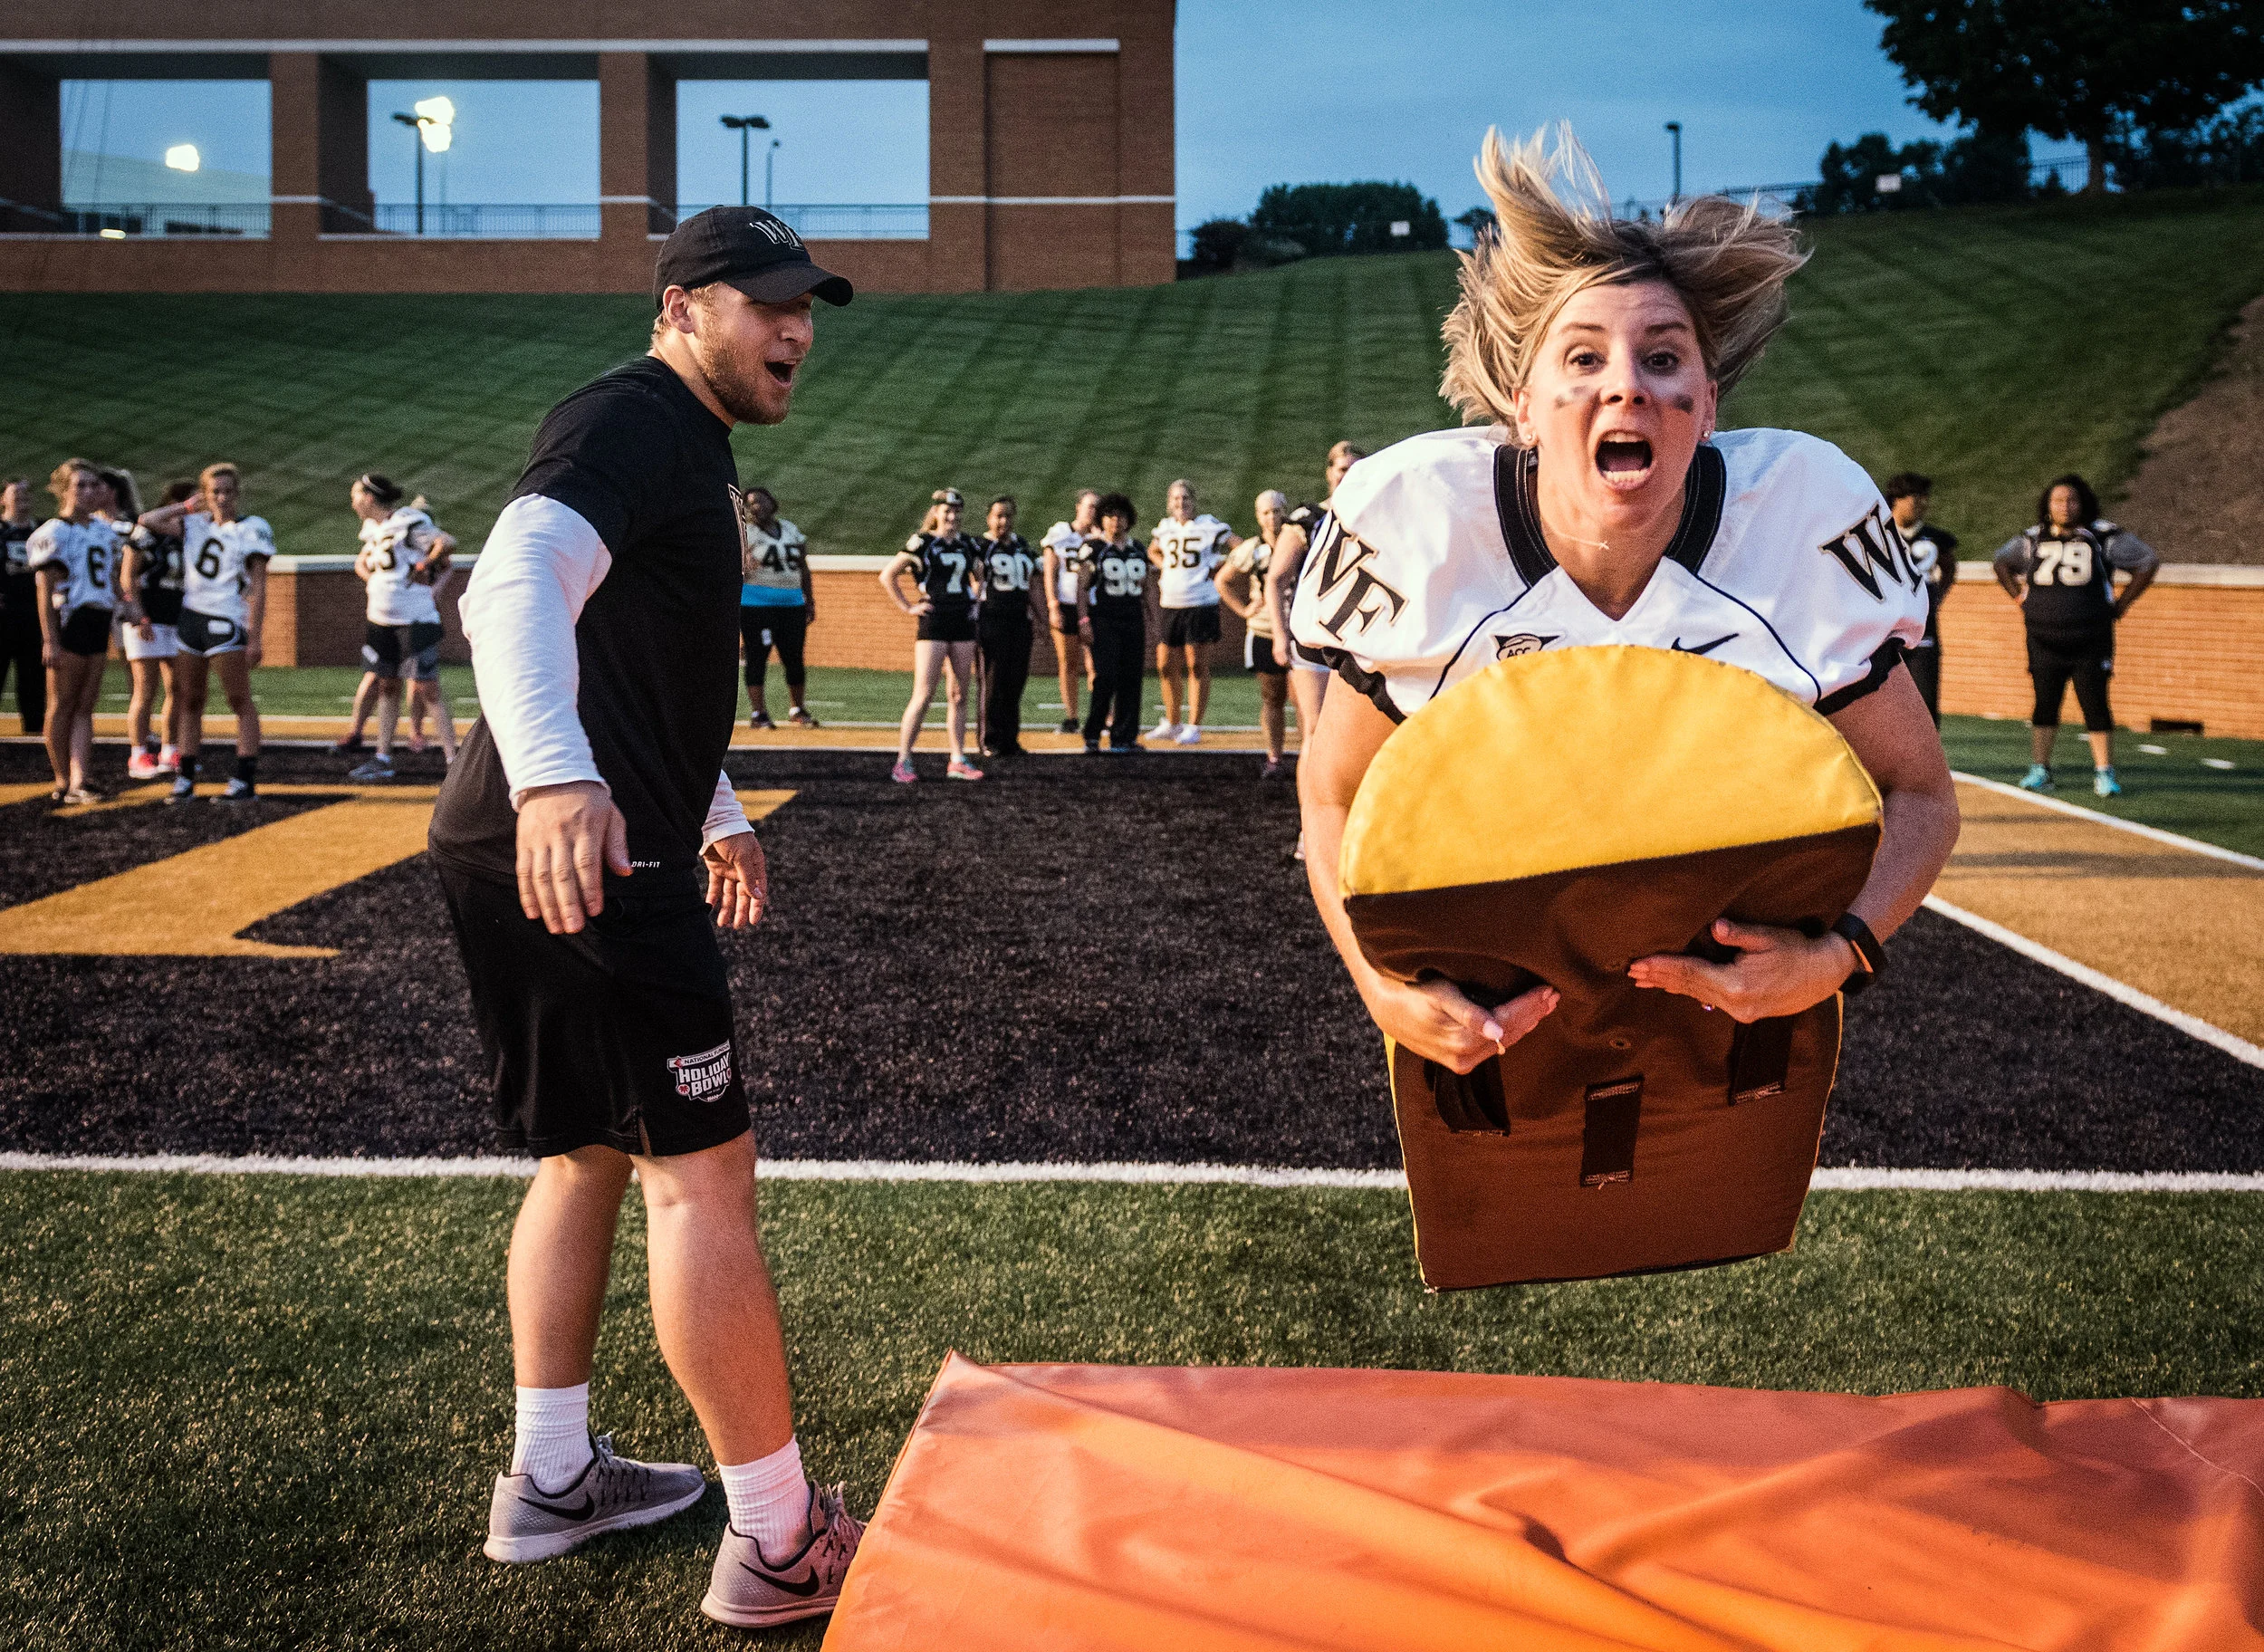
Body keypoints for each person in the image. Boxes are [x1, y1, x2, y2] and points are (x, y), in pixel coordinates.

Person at [1290, 126, 1959, 1077]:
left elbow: (1923, 794)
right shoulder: (1425, 528)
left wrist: (1836, 957)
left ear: (1709, 402)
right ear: (1522, 407)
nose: (1625, 388)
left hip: (1715, 1030)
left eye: (1661, 356)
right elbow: (1333, 793)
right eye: (1582, 359)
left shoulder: (1794, 523)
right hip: (1502, 1005)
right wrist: (1373, 980)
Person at [425, 206, 863, 1630]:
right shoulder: (632, 418)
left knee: (586, 1159)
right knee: (699, 1178)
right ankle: (781, 1537)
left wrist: (713, 800)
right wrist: (564, 780)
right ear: (682, 309)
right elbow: (512, 583)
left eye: (808, 307)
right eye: (767, 305)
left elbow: (633, 651)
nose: (797, 330)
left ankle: (551, 1480)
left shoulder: (677, 439)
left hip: (514, 842)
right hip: (584, 852)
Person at [1992, 474, 2159, 797]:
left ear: (2083, 503)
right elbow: (2001, 562)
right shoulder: (2033, 538)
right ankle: (2040, 769)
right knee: (2044, 704)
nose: (2065, 507)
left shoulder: (2102, 535)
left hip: (2090, 638)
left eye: (2071, 500)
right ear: (2047, 505)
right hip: (2043, 637)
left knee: (2095, 704)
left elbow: (2146, 562)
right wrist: (2019, 596)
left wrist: (2122, 604)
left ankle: (2104, 772)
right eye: (2058, 501)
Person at [138, 462, 273, 802]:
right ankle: (185, 776)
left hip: (226, 618)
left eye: (228, 491)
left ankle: (244, 778)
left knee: (238, 699)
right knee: (189, 699)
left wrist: (255, 636)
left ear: (238, 493)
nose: (222, 498)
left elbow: (259, 585)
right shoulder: (194, 523)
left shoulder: (252, 528)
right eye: (215, 491)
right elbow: (147, 521)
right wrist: (186, 505)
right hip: (191, 618)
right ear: (205, 494)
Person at [1270, 440, 1366, 859]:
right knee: (1315, 731)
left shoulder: (1375, 515)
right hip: (1313, 640)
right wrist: (1278, 635)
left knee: (1360, 737)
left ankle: (1352, 827)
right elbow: (1275, 579)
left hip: (1361, 638)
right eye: (1340, 468)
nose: (1346, 475)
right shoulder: (1306, 519)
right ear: (1329, 472)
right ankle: (1311, 831)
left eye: (1354, 468)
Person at [348, 473, 460, 781]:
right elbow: (370, 562)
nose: (352, 500)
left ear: (370, 497)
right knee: (386, 684)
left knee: (428, 688)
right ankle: (383, 756)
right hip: (382, 618)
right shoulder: (374, 528)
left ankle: (453, 759)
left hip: (414, 619)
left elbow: (446, 542)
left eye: (356, 493)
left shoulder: (407, 521)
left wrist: (426, 563)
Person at [24, 459, 120, 803]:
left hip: (97, 619)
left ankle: (82, 779)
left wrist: (128, 605)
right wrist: (50, 638)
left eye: (93, 485)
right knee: (62, 704)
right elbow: (43, 589)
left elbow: (109, 580)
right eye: (80, 485)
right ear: (63, 490)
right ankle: (62, 779)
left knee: (85, 705)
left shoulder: (103, 531)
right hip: (70, 621)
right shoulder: (53, 532)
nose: (89, 491)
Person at [881, 488, 985, 784]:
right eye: (946, 511)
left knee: (959, 693)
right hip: (935, 621)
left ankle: (957, 758)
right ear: (936, 513)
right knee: (924, 692)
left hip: (962, 621)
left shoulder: (967, 543)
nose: (952, 516)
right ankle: (903, 760)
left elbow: (980, 575)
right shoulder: (923, 542)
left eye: (956, 512)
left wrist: (976, 602)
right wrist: (908, 606)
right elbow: (888, 575)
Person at [1146, 479, 1238, 744]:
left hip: (1200, 602)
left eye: (1185, 498)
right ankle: (1173, 721)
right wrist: (1166, 567)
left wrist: (1218, 569)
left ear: (1193, 501)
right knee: (1165, 665)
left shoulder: (1209, 525)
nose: (1181, 503)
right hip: (1170, 603)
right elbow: (1152, 550)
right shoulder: (1165, 528)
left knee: (1196, 665)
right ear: (1169, 502)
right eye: (1176, 498)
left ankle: (1194, 725)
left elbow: (1239, 547)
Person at [1216, 489, 1296, 777]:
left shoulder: (1301, 542)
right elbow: (1223, 581)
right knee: (1272, 696)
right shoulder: (1252, 548)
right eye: (1265, 512)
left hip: (1299, 630)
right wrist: (1244, 610)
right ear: (1257, 516)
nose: (1272, 517)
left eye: (1276, 510)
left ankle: (1310, 754)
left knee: (1304, 698)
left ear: (1285, 511)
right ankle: (1275, 757)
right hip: (1264, 630)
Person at [120, 479, 193, 779]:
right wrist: (139, 614)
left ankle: (170, 749)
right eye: (190, 503)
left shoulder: (190, 533)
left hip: (177, 617)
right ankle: (138, 754)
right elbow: (127, 576)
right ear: (175, 503)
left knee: (177, 688)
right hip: (148, 617)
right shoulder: (148, 533)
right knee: (145, 689)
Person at [737, 484, 818, 729]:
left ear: (772, 503)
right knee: (757, 657)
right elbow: (733, 568)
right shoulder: (747, 533)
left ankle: (797, 709)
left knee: (794, 657)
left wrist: (809, 599)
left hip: (792, 603)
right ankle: (759, 713)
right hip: (756, 604)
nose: (757, 506)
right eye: (751, 503)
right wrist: (742, 565)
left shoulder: (790, 529)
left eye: (761, 501)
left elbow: (802, 565)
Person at [1881, 472, 1954, 726]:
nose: (1922, 504)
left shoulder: (1934, 538)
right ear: (1896, 499)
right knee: (1880, 699)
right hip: (1883, 627)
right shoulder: (1879, 534)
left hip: (1923, 627)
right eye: (1915, 498)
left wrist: (1936, 598)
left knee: (1926, 698)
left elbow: (1949, 568)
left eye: (1925, 498)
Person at [1079, 493, 1149, 754]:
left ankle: (1124, 736)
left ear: (1128, 519)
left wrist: (1151, 620)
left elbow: (1146, 588)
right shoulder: (1094, 549)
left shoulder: (1138, 549)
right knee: (1105, 677)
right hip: (1104, 619)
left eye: (1120, 515)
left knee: (1131, 679)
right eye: (1109, 515)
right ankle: (1093, 733)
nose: (1115, 521)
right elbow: (1082, 587)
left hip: (1132, 618)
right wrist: (1083, 619)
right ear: (1101, 519)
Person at [975, 495, 1042, 756]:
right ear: (989, 518)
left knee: (1016, 681)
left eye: (1008, 516)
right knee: (993, 681)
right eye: (999, 516)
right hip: (991, 619)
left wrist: (1042, 619)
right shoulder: (980, 546)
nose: (1004, 521)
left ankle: (1010, 739)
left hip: (1019, 620)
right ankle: (990, 739)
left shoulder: (1022, 546)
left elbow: (1033, 585)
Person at [1040, 489, 1099, 732]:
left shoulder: (1101, 537)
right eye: (1089, 506)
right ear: (1078, 507)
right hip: (1066, 604)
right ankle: (1072, 717)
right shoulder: (1060, 533)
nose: (1093, 512)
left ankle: (1102, 716)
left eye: (1097, 507)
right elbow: (1049, 571)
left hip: (1093, 606)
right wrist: (1053, 605)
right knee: (1068, 662)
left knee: (1096, 663)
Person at [1, 479, 43, 735]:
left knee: (33, 677)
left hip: (34, 612)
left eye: (26, 493)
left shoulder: (40, 530)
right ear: (3, 499)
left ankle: (35, 732)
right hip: (4, 613)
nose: (22, 498)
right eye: (16, 494)